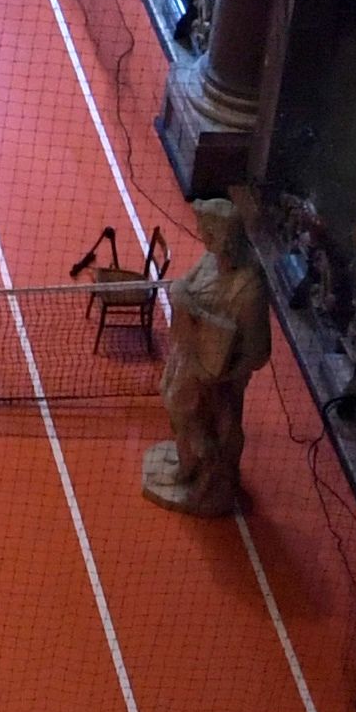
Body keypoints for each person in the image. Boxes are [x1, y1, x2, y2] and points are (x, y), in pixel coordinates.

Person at [140, 191, 274, 516]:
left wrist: (221, 376)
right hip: (188, 358)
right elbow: (185, 285)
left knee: (195, 420)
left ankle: (201, 474)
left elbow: (258, 352)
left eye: (206, 231)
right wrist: (182, 296)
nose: (201, 235)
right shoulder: (211, 261)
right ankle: (187, 459)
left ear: (221, 237)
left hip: (215, 378)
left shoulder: (249, 289)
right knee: (175, 406)